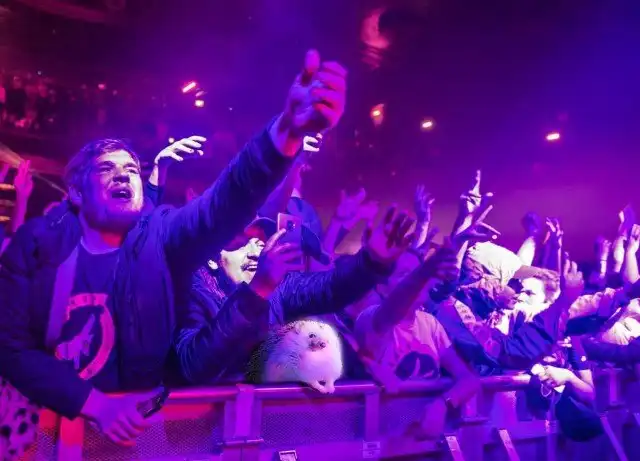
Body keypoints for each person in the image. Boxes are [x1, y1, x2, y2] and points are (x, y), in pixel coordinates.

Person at [0, 49, 347, 446]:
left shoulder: (160, 237)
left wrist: (285, 133)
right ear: (76, 193)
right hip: (43, 434)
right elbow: (9, 346)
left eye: (132, 169)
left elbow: (223, 203)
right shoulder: (36, 247)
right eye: (107, 168)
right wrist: (95, 405)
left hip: (136, 438)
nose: (123, 175)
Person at [177, 205, 413, 384]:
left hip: (266, 421)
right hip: (210, 428)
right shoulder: (194, 290)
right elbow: (193, 366)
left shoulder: (280, 289)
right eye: (241, 242)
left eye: (259, 241)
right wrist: (255, 292)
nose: (254, 251)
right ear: (213, 256)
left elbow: (330, 288)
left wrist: (371, 262)